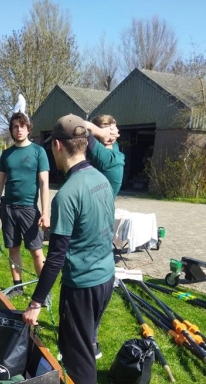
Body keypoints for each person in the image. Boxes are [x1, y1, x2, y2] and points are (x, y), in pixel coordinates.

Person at [23, 114, 115, 384]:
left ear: (59, 147)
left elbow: (56, 259)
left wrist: (35, 303)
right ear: (85, 143)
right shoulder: (101, 180)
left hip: (83, 287)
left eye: (52, 146)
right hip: (106, 278)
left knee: (79, 359)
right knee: (84, 343)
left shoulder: (66, 195)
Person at [0, 111, 50, 298]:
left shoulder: (39, 152)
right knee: (13, 249)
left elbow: (44, 183)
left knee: (36, 252)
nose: (19, 130)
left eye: (22, 126)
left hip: (29, 210)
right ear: (11, 130)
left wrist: (45, 213)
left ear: (28, 128)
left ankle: (43, 292)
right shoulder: (6, 154)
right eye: (15, 126)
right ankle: (17, 286)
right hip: (8, 208)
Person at [84, 115, 125, 359]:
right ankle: (88, 338)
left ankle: (90, 338)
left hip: (100, 221)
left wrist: (102, 132)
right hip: (94, 218)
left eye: (115, 126)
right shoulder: (102, 149)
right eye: (110, 127)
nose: (115, 130)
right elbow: (77, 121)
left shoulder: (111, 151)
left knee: (95, 280)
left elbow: (77, 122)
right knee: (92, 280)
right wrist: (98, 131)